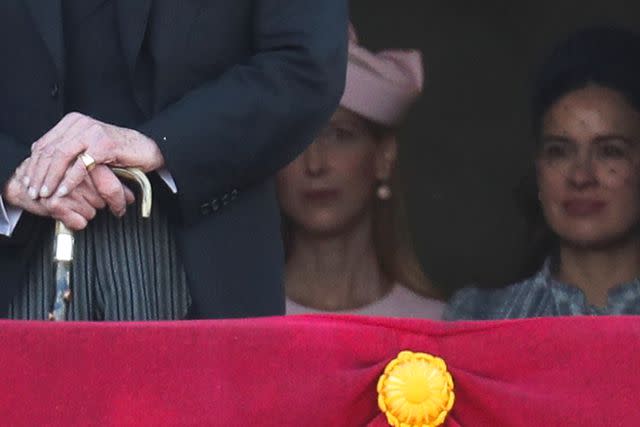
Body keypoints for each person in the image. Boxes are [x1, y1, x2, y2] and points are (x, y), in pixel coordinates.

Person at [0, 1, 348, 320]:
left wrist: (159, 144)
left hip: (197, 251)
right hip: (15, 247)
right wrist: (13, 174)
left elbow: (304, 63)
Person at [445, 26, 640, 320]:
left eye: (609, 151)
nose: (581, 177)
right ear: (538, 171)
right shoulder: (478, 317)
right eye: (559, 152)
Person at [277, 26, 444, 318]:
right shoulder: (240, 323)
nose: (315, 164)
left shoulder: (437, 326)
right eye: (295, 138)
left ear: (384, 155)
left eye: (340, 135)